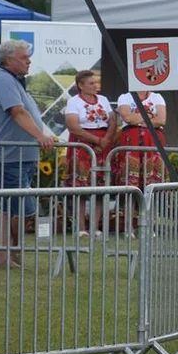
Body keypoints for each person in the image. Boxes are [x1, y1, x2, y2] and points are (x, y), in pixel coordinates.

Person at [0, 40, 55, 266]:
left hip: (20, 155)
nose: (29, 61)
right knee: (23, 209)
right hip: (11, 156)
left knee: (9, 207)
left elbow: (23, 112)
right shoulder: (4, 80)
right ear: (9, 60)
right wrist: (40, 136)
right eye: (24, 57)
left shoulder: (12, 80)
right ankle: (12, 252)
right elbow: (17, 112)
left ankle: (5, 255)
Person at [64, 70, 117, 236]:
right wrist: (97, 141)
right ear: (80, 86)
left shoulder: (103, 100)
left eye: (96, 83)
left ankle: (95, 226)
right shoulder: (73, 102)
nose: (96, 86)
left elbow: (113, 121)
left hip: (103, 143)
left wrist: (105, 141)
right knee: (80, 187)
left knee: (101, 187)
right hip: (83, 144)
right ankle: (81, 228)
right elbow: (73, 126)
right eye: (91, 83)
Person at [113, 90, 167, 233]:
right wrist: (149, 117)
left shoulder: (157, 97)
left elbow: (161, 120)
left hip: (153, 143)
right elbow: (127, 118)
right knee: (130, 186)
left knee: (152, 185)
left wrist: (137, 118)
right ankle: (128, 227)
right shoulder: (124, 96)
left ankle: (149, 227)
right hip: (131, 141)